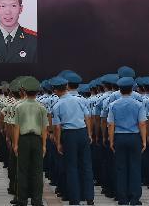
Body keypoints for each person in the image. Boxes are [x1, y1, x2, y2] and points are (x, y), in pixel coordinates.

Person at [50, 72, 93, 206]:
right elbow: (88, 117)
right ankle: (89, 197)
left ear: (56, 90)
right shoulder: (80, 99)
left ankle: (75, 199)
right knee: (86, 165)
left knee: (72, 167)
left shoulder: (57, 105)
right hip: (82, 132)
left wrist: (58, 143)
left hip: (69, 135)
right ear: (66, 87)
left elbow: (57, 127)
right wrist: (89, 134)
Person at [107, 77, 147, 206]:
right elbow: (142, 123)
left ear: (120, 90)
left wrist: (111, 140)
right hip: (134, 137)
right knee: (135, 168)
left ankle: (122, 198)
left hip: (119, 137)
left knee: (121, 168)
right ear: (132, 89)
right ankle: (135, 198)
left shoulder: (113, 105)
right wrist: (144, 141)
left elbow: (111, 125)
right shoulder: (138, 104)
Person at [10, 77, 48, 206]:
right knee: (37, 171)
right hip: (37, 139)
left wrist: (15, 144)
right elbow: (44, 128)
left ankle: (22, 200)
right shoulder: (41, 107)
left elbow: (17, 127)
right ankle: (37, 200)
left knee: (22, 170)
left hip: (24, 139)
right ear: (37, 92)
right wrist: (44, 145)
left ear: (24, 91)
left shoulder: (19, 107)